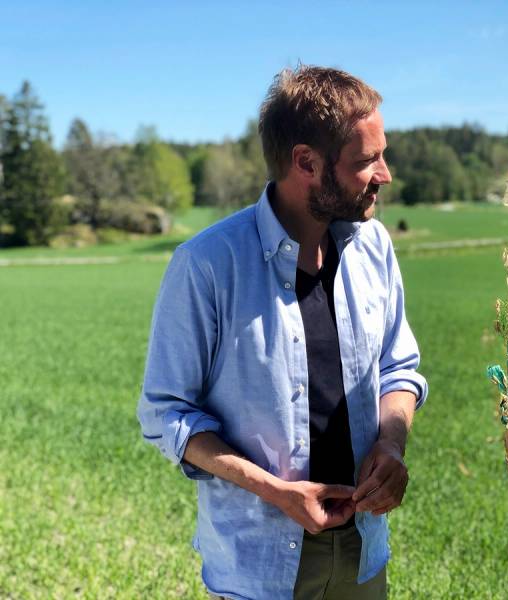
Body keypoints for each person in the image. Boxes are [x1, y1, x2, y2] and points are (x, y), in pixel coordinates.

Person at [137, 65, 428, 600]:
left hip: (364, 555)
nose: (384, 174)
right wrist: (277, 493)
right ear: (306, 163)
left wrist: (392, 442)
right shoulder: (206, 265)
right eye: (366, 161)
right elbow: (166, 413)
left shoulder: (374, 247)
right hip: (258, 566)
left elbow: (398, 368)